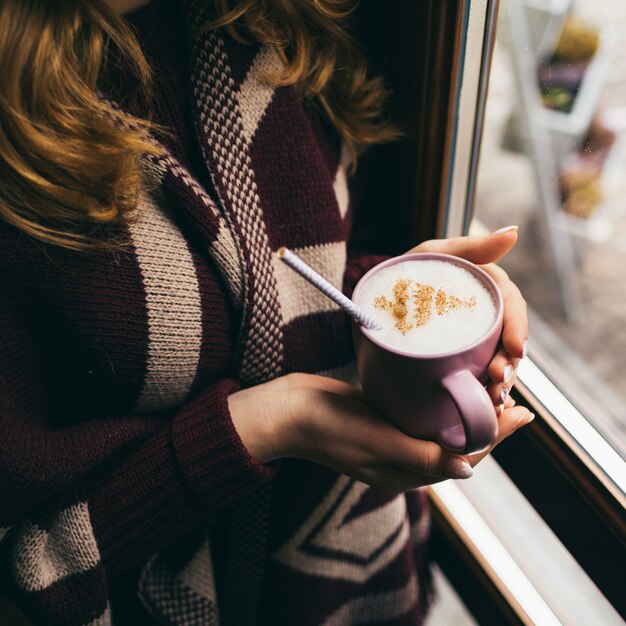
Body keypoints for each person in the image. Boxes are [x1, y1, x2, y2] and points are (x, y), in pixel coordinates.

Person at [0, 0, 532, 624]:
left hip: (346, 574)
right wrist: (264, 428)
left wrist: (399, 302)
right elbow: (24, 561)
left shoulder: (273, 21)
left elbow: (277, 282)